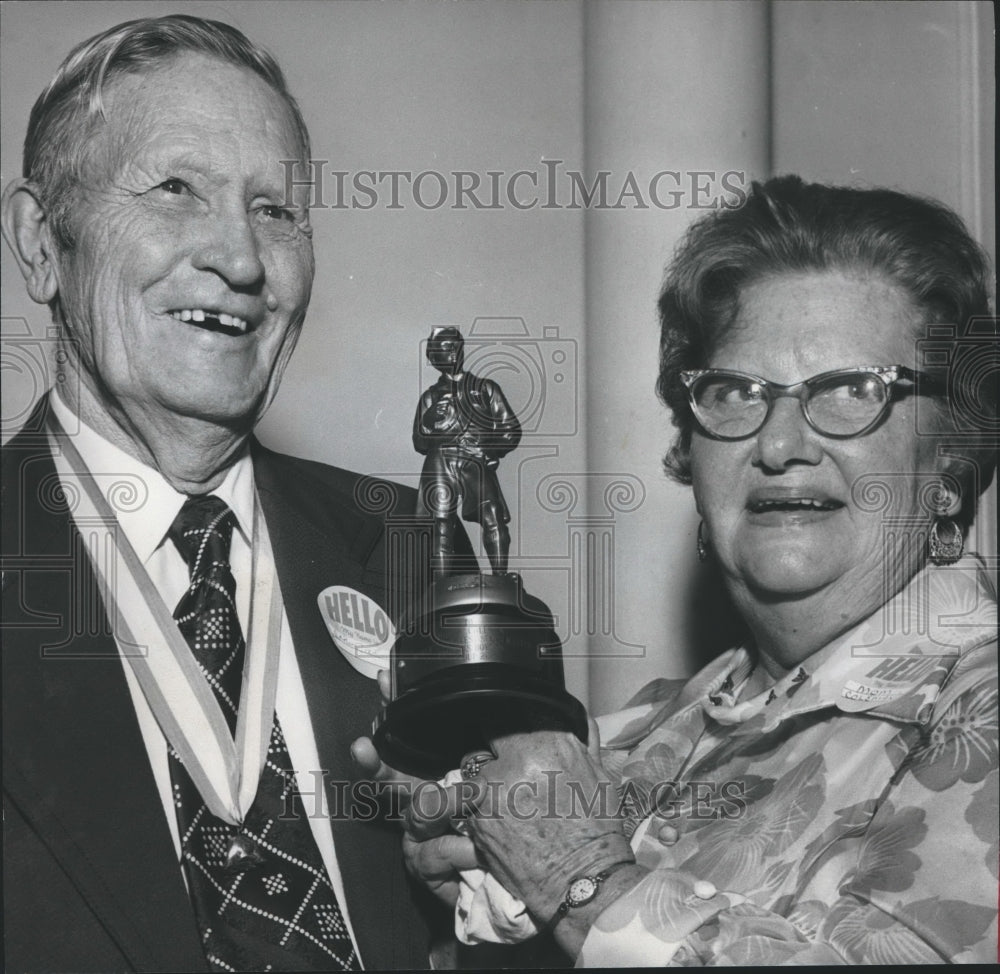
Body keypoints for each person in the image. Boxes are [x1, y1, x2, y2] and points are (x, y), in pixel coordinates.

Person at [399, 176, 999, 965]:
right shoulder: (650, 730)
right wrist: (486, 889)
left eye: (854, 391)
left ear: (951, 454)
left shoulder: (974, 709)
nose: (781, 444)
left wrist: (582, 882)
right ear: (692, 447)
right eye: (736, 392)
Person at [1, 15, 449, 972]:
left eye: (277, 212)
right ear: (42, 240)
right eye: (176, 190)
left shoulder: (413, 552)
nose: (241, 261)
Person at [414, 326, 521, 575]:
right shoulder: (429, 397)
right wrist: (429, 419)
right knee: (439, 523)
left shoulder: (485, 389)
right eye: (444, 349)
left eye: (455, 346)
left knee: (492, 515)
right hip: (440, 459)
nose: (451, 352)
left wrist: (490, 451)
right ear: (433, 358)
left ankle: (501, 577)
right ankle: (440, 585)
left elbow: (510, 429)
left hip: (475, 457)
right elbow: (419, 442)